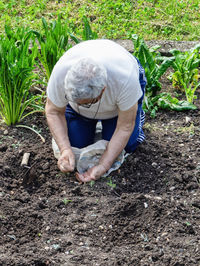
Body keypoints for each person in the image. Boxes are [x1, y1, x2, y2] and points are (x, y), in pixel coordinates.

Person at [45, 39, 147, 183]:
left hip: (116, 110)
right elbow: (53, 111)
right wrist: (65, 149)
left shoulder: (125, 80)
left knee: (128, 144)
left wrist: (104, 165)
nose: (80, 105)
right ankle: (83, 118)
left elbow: (125, 126)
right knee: (76, 144)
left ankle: (136, 115)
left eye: (86, 104)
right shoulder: (61, 73)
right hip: (81, 111)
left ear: (103, 91)